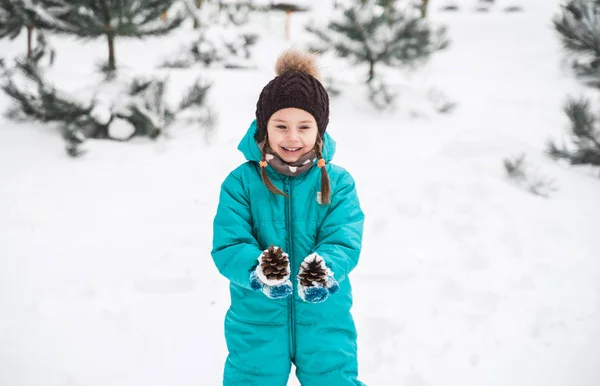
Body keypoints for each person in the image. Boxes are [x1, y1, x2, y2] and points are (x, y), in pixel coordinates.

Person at [211, 49, 365, 386]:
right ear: (264, 127)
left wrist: (323, 269)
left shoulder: (338, 182)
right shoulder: (241, 183)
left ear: (319, 129)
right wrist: (258, 268)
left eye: (304, 126)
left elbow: (344, 238)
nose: (292, 137)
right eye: (280, 125)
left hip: (325, 318)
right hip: (256, 321)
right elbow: (228, 243)